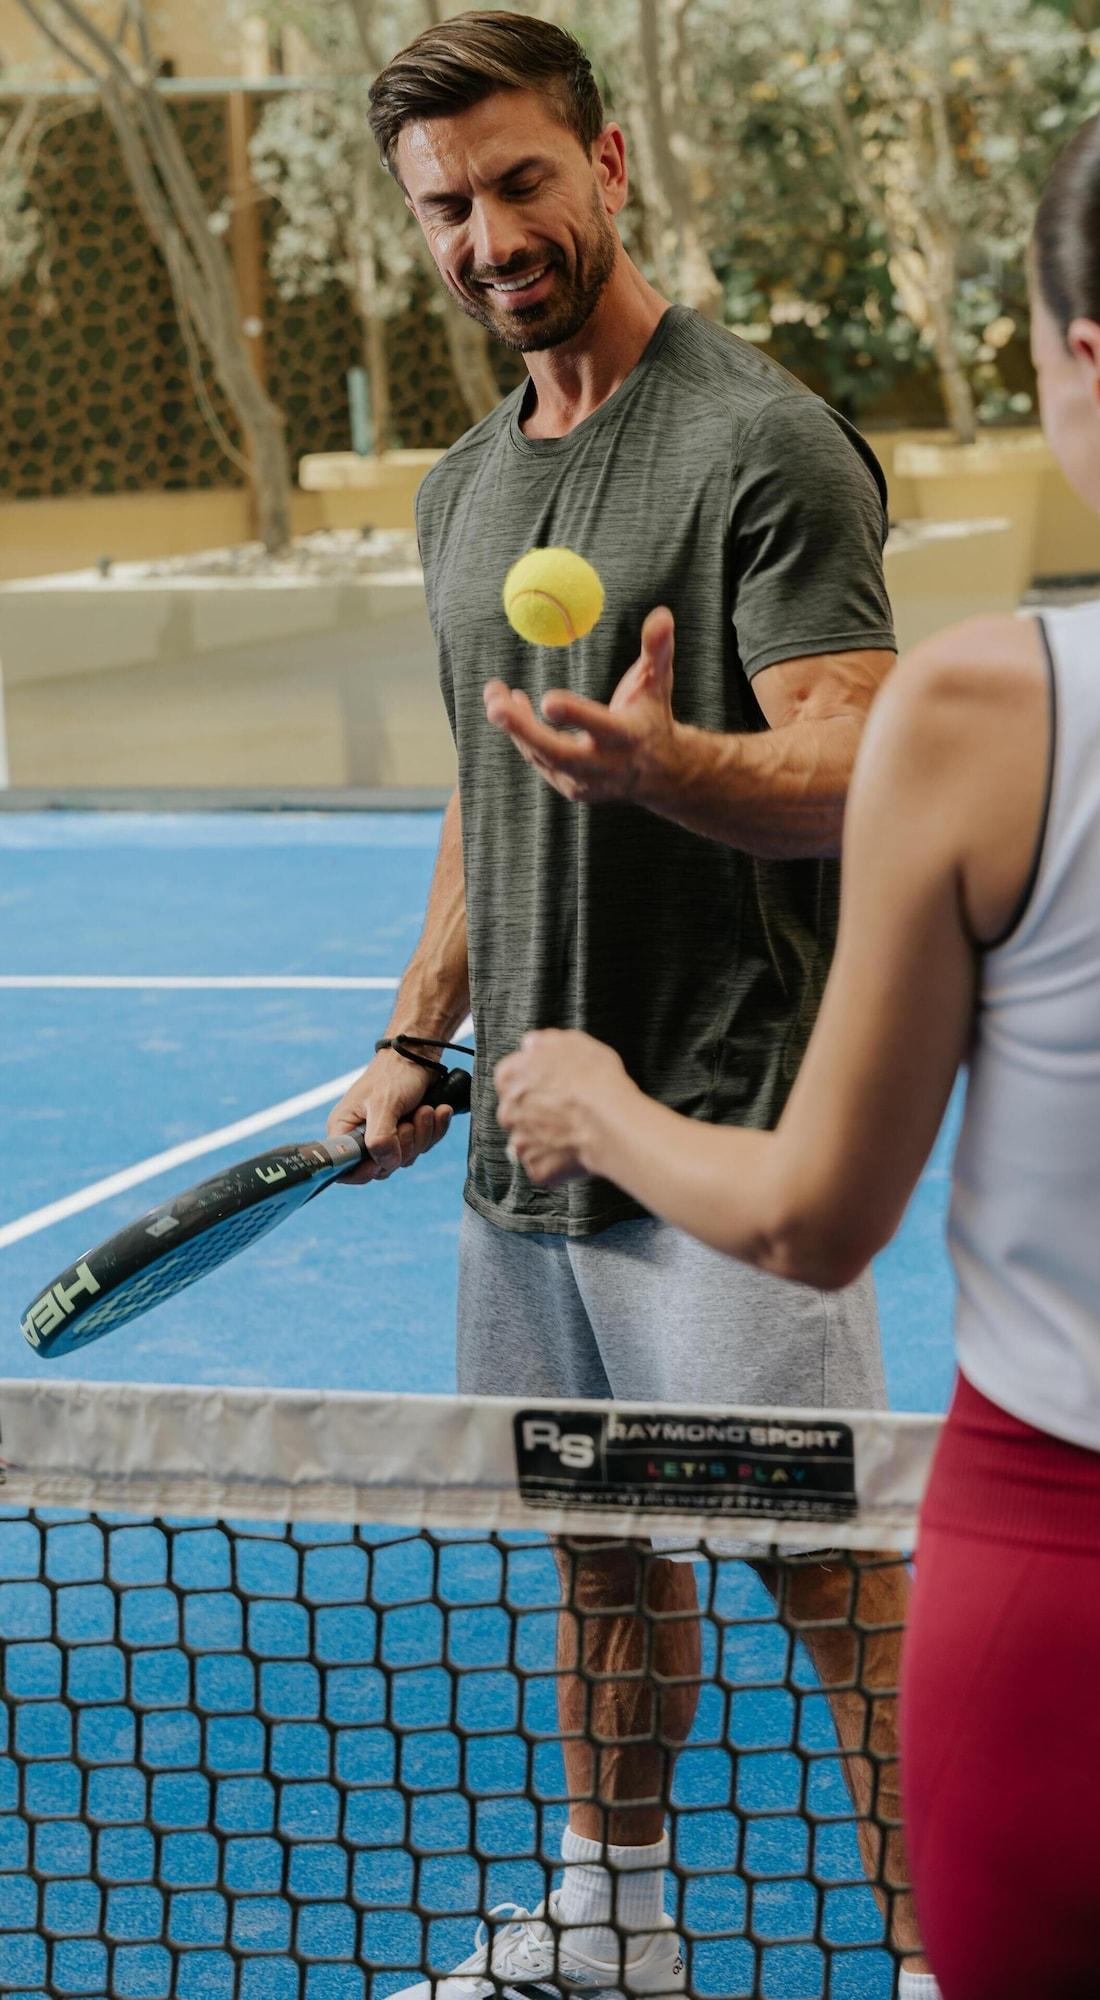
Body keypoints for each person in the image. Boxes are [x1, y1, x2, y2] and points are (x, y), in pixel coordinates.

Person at [496, 61, 1100, 2000]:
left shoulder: (989, 707)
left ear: (1098, 369)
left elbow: (810, 1215)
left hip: (1087, 1636)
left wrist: (595, 1099)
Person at [331, 12, 936, 1999]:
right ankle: (613, 1926)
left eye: (519, 180)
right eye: (449, 204)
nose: (490, 232)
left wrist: (666, 765)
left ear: (602, 159)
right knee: (601, 1547)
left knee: (831, 1573)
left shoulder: (757, 440)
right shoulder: (459, 493)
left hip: (726, 1138)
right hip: (532, 1149)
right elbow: (477, 785)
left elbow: (855, 760)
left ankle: (960, 1959)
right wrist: (421, 1033)